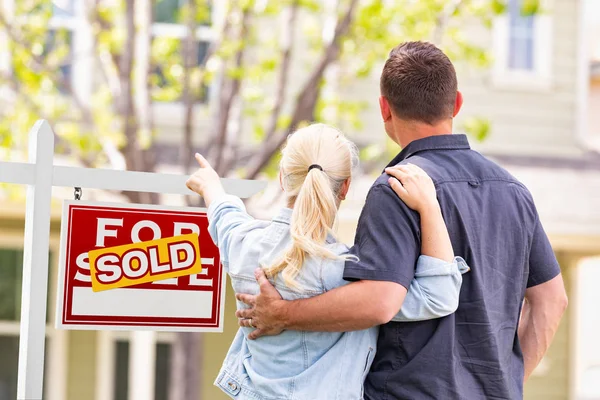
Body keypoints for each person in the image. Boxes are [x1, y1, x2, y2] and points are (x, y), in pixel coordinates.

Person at [235, 42, 568, 399]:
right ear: (456, 103)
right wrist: (506, 384)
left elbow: (379, 300)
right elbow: (552, 300)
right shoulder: (513, 192)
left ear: (384, 109)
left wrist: (284, 314)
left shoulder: (396, 187)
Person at [186, 123, 469, 399]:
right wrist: (429, 207)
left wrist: (211, 186)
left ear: (283, 178)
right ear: (345, 187)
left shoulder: (244, 245)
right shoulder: (349, 274)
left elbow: (225, 216)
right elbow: (437, 295)